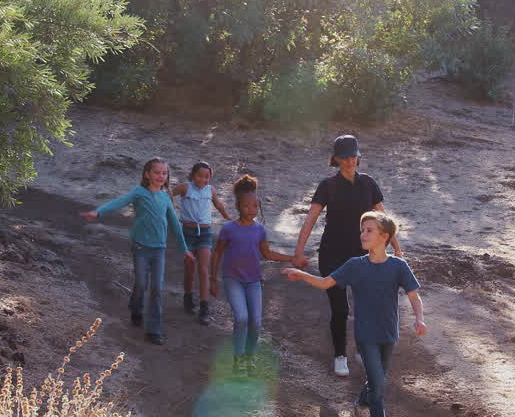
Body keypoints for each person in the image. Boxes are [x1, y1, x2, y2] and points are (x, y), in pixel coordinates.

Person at [283, 211, 424, 417]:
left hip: (389, 333)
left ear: (385, 236)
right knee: (378, 381)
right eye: (362, 230)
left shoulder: (398, 266)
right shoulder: (355, 266)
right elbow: (326, 283)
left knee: (377, 379)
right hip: (365, 334)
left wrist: (419, 318)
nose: (363, 235)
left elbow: (414, 295)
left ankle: (361, 402)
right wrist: (302, 275)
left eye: (369, 230)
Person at [293, 134, 402, 377]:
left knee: (366, 305)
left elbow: (383, 218)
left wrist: (397, 247)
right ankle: (340, 355)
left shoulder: (368, 183)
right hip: (332, 254)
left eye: (354, 156)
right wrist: (299, 252)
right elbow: (311, 219)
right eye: (345, 157)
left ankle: (362, 350)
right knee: (340, 308)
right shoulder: (327, 186)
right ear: (336, 159)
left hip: (361, 255)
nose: (351, 161)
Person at [81, 157, 193, 345]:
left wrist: (185, 249)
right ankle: (136, 308)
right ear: (147, 174)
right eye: (157, 172)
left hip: (159, 249)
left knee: (157, 288)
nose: (161, 176)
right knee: (141, 283)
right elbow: (119, 202)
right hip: (141, 247)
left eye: (164, 173)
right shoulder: (139, 192)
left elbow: (174, 224)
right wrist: (98, 212)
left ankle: (154, 330)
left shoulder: (166, 197)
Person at [210, 175, 293, 375]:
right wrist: (212, 279)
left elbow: (267, 254)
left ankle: (250, 357)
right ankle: (238, 359)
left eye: (255, 206)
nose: (251, 210)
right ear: (238, 206)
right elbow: (218, 253)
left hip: (254, 280)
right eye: (247, 206)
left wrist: (292, 259)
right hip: (233, 279)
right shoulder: (229, 229)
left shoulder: (260, 230)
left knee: (256, 322)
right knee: (241, 318)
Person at [172, 161, 231, 325]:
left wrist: (228, 217)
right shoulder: (185, 187)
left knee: (204, 270)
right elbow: (168, 193)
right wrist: (170, 209)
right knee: (189, 269)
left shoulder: (210, 190)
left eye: (207, 177)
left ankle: (204, 308)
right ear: (193, 175)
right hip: (188, 233)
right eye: (200, 176)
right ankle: (188, 297)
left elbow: (218, 204)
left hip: (205, 233)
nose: (203, 179)